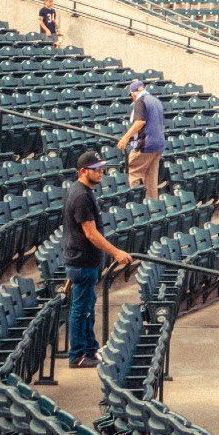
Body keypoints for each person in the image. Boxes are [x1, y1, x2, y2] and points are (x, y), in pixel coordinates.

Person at [62, 151, 132, 369]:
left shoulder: (85, 191)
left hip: (87, 261)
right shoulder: (80, 196)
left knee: (88, 308)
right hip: (81, 262)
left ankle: (90, 349)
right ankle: (78, 355)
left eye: (101, 168)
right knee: (81, 309)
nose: (101, 172)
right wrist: (115, 252)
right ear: (83, 171)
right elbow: (91, 234)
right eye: (96, 169)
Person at [118, 77, 167, 197]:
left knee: (132, 171)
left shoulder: (140, 101)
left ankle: (132, 202)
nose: (132, 98)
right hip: (158, 145)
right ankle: (154, 208)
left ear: (134, 93)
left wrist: (125, 138)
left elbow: (139, 122)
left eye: (131, 95)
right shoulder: (155, 100)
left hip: (146, 144)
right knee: (151, 180)